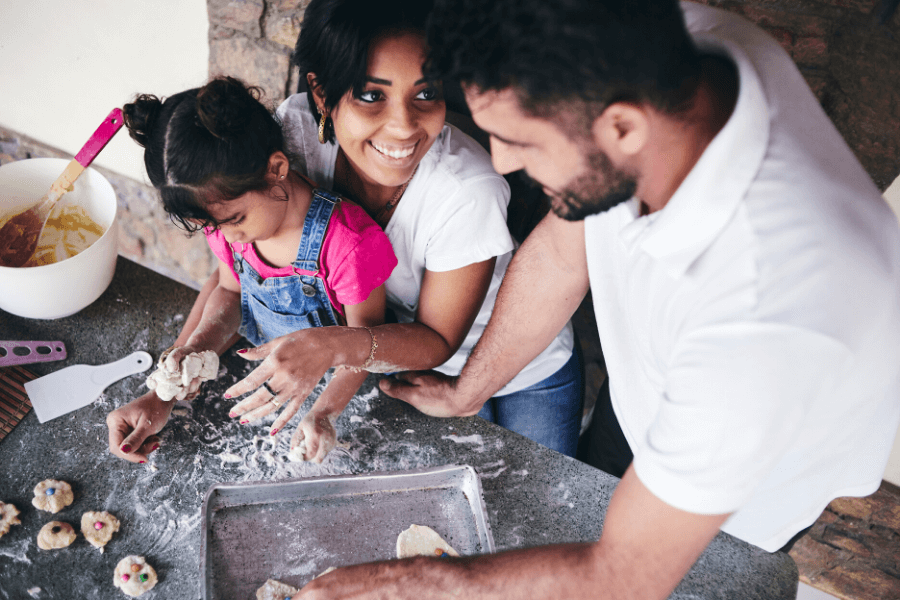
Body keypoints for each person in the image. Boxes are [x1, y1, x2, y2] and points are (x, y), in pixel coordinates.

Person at [297, 0, 900, 598]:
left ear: (622, 128)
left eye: (520, 142)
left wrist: (411, 580)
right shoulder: (667, 48)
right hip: (637, 394)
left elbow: (623, 574)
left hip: (743, 497)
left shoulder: (771, 314)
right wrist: (467, 390)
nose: (503, 162)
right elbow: (564, 253)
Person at [223, 0, 584, 457]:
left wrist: (331, 347)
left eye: (426, 93)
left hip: (526, 370)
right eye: (372, 95)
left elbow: (437, 337)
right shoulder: (292, 138)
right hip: (399, 360)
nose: (404, 126)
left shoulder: (467, 189)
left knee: (539, 513)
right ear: (319, 92)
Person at [106, 76, 396, 464]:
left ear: (276, 168)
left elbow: (363, 346)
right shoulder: (225, 224)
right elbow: (229, 293)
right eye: (211, 226)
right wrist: (184, 366)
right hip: (258, 376)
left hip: (338, 390)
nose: (227, 236)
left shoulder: (349, 244)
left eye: (234, 219)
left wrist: (323, 413)